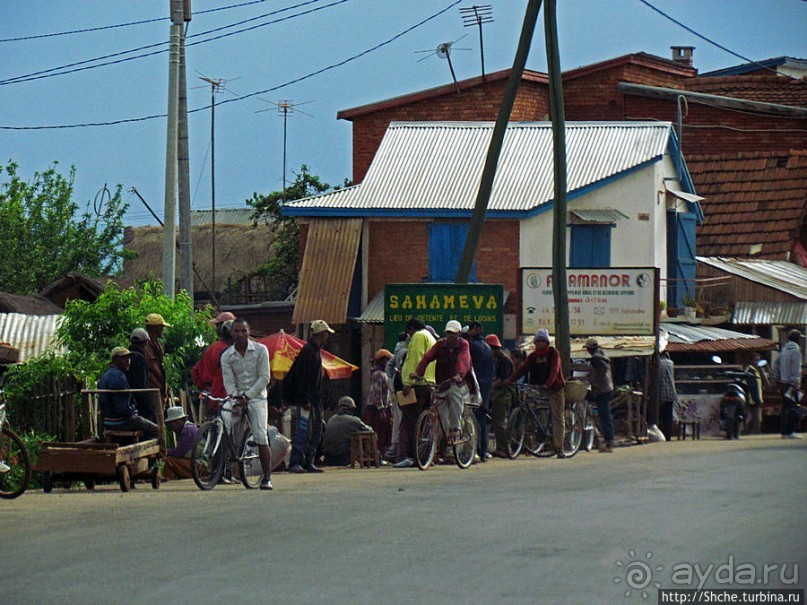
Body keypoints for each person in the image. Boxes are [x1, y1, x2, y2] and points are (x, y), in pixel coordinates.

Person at [220, 318, 274, 490]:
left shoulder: (260, 350)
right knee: (223, 421)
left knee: (260, 435)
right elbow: (228, 381)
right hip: (236, 398)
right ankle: (225, 465)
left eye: (243, 331)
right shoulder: (227, 356)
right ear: (232, 333)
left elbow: (264, 378)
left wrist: (248, 397)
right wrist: (235, 398)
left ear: (249, 332)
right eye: (236, 331)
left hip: (257, 397)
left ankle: (267, 477)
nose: (240, 334)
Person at [507, 329, 567, 458]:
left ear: (546, 342)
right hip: (538, 387)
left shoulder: (553, 353)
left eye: (542, 341)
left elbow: (554, 370)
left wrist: (549, 383)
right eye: (538, 341)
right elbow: (523, 369)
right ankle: (533, 439)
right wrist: (510, 380)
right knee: (531, 409)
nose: (540, 343)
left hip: (555, 388)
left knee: (557, 417)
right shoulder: (533, 356)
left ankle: (559, 448)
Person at [412, 320, 472, 448]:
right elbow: (427, 357)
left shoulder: (463, 345)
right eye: (449, 333)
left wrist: (459, 374)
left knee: (454, 393)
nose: (450, 336)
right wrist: (418, 372)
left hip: (458, 383)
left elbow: (464, 360)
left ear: (459, 334)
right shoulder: (440, 345)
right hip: (442, 383)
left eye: (453, 333)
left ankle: (456, 428)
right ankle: (443, 442)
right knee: (441, 414)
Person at [284, 319, 334, 473]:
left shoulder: (316, 350)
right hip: (306, 400)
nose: (327, 336)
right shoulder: (308, 351)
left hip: (315, 399)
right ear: (322, 333)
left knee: (316, 431)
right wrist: (304, 399)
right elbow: (301, 378)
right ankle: (296, 462)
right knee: (303, 430)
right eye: (326, 333)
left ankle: (309, 461)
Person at [394, 317, 436, 468]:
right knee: (424, 423)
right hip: (428, 384)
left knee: (411, 422)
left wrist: (409, 383)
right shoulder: (431, 338)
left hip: (416, 385)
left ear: (412, 328)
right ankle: (424, 456)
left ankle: (411, 456)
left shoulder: (418, 336)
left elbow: (416, 359)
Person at [98, 347, 159, 439]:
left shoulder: (105, 376)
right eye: (125, 358)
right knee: (156, 430)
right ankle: (145, 452)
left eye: (129, 358)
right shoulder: (119, 377)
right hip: (119, 422)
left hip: (108, 421)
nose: (128, 361)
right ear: (116, 359)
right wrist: (132, 412)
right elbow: (122, 408)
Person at [574, 338, 615, 453]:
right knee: (605, 415)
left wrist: (595, 382)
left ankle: (609, 442)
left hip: (602, 390)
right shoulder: (602, 355)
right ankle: (605, 439)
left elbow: (602, 369)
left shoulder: (596, 358)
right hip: (607, 389)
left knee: (605, 416)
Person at [466, 321, 495, 462]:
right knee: (482, 420)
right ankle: (482, 452)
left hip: (474, 388)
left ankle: (474, 451)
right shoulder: (487, 348)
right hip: (486, 388)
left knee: (471, 419)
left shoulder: (472, 346)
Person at [192, 316, 235, 405]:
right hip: (224, 398)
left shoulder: (211, 348)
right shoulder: (227, 352)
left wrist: (205, 388)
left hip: (211, 396)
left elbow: (195, 371)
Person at [322, 397, 374, 466]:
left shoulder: (331, 419)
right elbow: (369, 431)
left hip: (328, 457)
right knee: (359, 438)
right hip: (343, 457)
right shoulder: (353, 420)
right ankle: (373, 459)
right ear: (351, 409)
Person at [487, 334, 514, 458]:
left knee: (499, 421)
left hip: (504, 393)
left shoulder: (504, 361)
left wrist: (490, 388)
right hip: (497, 392)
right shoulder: (495, 359)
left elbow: (502, 380)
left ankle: (503, 448)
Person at [363, 348, 392, 458]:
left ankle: (380, 456)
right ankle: (375, 456)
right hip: (375, 409)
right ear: (382, 360)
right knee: (377, 434)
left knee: (383, 434)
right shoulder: (378, 374)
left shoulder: (384, 374)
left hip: (382, 408)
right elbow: (377, 393)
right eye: (387, 360)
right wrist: (381, 409)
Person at [384, 331, 409, 460]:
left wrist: (391, 380)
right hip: (404, 386)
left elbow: (389, 366)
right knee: (403, 419)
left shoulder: (397, 351)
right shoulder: (406, 351)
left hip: (396, 386)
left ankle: (395, 447)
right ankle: (400, 450)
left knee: (398, 418)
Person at [776, 329, 803, 439]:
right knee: (793, 408)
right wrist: (796, 383)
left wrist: (778, 377)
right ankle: (790, 431)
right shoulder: (796, 350)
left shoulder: (783, 350)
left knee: (785, 408)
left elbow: (776, 364)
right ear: (797, 339)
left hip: (783, 382)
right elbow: (796, 368)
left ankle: (784, 432)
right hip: (791, 383)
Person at [162, 406, 199, 480]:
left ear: (183, 420)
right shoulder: (191, 428)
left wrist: (165, 451)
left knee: (169, 461)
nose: (173, 426)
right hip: (196, 464)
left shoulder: (188, 430)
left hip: (199, 466)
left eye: (175, 422)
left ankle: (169, 483)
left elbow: (179, 453)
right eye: (171, 423)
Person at [126, 328, 155, 422]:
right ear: (145, 343)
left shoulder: (126, 356)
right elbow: (141, 383)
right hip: (138, 398)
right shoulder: (140, 358)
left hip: (128, 399)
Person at [144, 313, 170, 408]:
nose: (162, 330)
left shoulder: (157, 345)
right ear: (154, 328)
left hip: (158, 388)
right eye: (161, 327)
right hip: (151, 389)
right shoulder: (145, 345)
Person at [658, 351, 678, 441]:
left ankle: (662, 435)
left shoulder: (658, 363)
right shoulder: (671, 363)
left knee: (661, 416)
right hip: (671, 392)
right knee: (668, 417)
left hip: (661, 392)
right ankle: (668, 436)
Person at [744, 353, 765, 435]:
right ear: (751, 361)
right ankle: (757, 433)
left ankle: (747, 433)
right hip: (753, 398)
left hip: (755, 397)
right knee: (757, 418)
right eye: (755, 360)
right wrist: (757, 399)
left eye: (758, 360)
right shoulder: (750, 371)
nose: (757, 362)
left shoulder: (756, 371)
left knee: (753, 418)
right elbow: (752, 387)